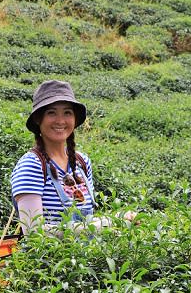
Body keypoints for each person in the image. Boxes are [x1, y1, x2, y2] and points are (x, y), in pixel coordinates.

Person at [11, 80, 136, 236]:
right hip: (49, 259)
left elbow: (85, 223)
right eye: (51, 112)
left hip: (86, 258)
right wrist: (100, 226)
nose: (60, 120)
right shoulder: (31, 165)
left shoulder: (81, 162)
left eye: (67, 113)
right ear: (38, 119)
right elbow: (33, 231)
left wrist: (116, 220)